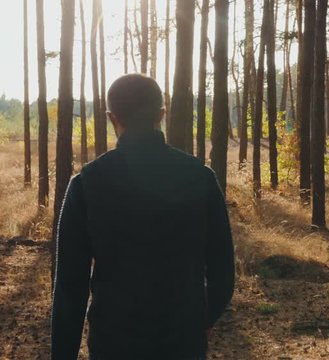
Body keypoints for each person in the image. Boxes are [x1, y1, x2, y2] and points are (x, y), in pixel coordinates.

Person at [51, 74, 235, 360]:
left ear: (112, 119)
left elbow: (69, 288)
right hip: (182, 345)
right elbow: (223, 274)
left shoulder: (87, 184)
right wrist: (198, 322)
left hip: (113, 344)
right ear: (161, 115)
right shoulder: (201, 178)